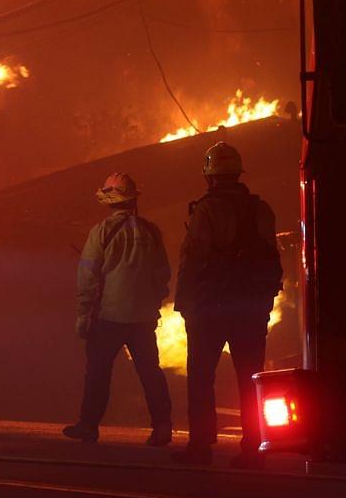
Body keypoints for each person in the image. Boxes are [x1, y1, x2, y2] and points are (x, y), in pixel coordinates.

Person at [172, 141, 281, 467]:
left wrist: (184, 301)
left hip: (210, 307)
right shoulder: (260, 208)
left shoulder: (205, 210)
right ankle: (253, 448)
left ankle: (201, 446)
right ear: (237, 173)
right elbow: (271, 257)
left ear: (210, 176)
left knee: (201, 376)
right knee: (251, 379)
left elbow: (193, 259)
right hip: (249, 307)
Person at [62, 172, 173, 446]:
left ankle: (88, 426)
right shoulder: (151, 231)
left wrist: (83, 313)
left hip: (109, 316)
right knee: (150, 372)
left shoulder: (101, 231)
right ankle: (162, 427)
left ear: (109, 199)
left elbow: (87, 275)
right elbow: (162, 274)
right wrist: (153, 302)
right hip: (143, 318)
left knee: (99, 372)